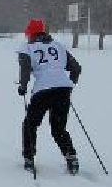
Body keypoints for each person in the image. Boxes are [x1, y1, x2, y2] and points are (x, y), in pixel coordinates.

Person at [17, 17, 81, 175]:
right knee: (58, 128)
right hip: (63, 90)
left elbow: (25, 69)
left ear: (30, 33)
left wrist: (23, 86)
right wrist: (69, 85)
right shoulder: (58, 46)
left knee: (30, 124)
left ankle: (29, 159)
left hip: (43, 90)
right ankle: (71, 157)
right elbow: (76, 68)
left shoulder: (27, 48)